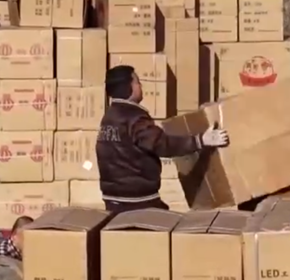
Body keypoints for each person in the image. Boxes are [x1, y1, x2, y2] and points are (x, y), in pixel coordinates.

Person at [97, 65, 229, 213]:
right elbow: (161, 144)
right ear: (128, 87)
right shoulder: (134, 118)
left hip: (113, 198)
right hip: (137, 200)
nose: (141, 86)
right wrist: (201, 140)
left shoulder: (109, 117)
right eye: (137, 82)